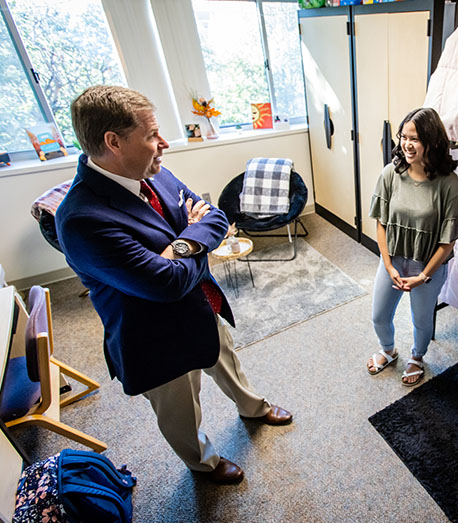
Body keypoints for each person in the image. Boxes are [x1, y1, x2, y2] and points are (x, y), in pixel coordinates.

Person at [56, 85, 292, 485]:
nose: (163, 144)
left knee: (226, 359)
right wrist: (193, 232)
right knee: (182, 406)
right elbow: (165, 284)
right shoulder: (82, 219)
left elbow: (215, 216)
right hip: (155, 336)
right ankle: (203, 461)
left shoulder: (154, 171)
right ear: (113, 142)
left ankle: (252, 407)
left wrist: (180, 242)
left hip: (201, 302)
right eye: (151, 136)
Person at [365, 108, 458, 386]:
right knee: (378, 315)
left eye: (415, 139)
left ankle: (417, 357)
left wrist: (424, 276)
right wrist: (387, 264)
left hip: (427, 265)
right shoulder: (391, 174)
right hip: (394, 259)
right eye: (403, 137)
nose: (406, 145)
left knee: (422, 320)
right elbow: (381, 223)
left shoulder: (449, 184)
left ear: (432, 142)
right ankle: (388, 350)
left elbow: (449, 240)